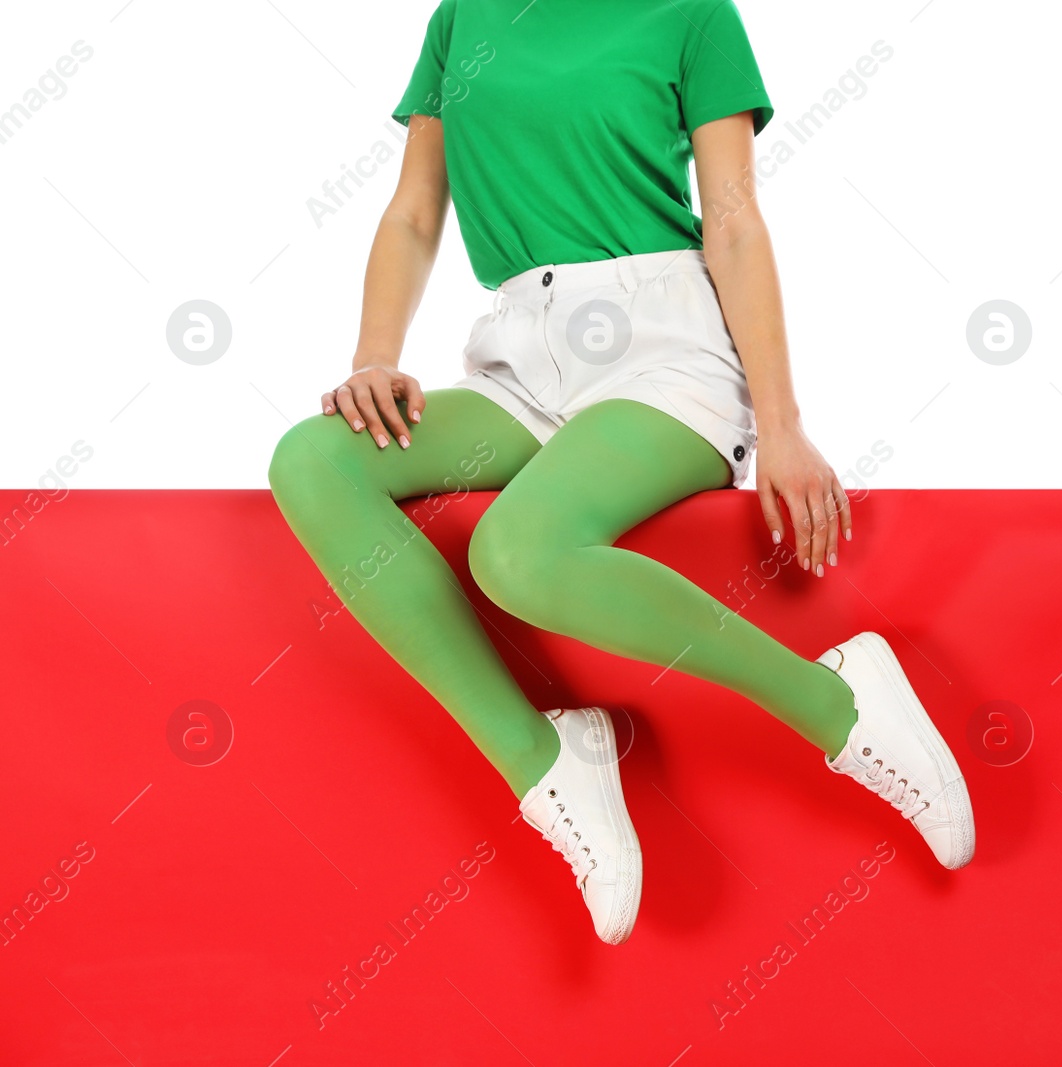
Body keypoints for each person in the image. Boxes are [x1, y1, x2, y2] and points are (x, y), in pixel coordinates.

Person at [266, 0, 974, 945]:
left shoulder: (693, 14)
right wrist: (373, 357)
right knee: (313, 458)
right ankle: (541, 760)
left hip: (666, 350)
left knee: (521, 553)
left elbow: (732, 222)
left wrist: (782, 423)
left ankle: (841, 705)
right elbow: (412, 212)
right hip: (523, 357)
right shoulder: (461, 20)